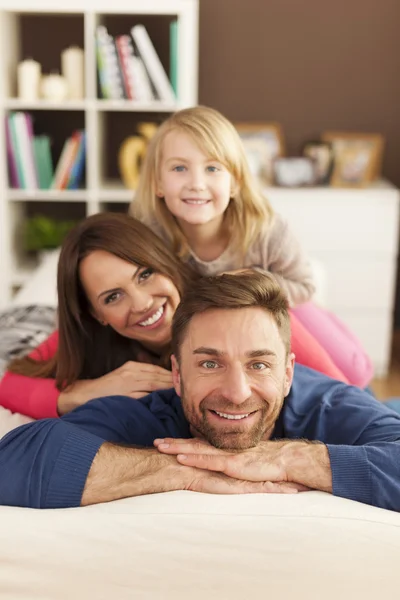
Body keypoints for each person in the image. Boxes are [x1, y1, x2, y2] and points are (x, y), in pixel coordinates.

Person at [0, 270, 399, 511]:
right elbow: (15, 459)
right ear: (176, 373)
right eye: (209, 363)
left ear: (288, 372)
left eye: (259, 364)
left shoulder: (327, 403)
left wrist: (286, 458)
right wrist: (184, 469)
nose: (237, 392)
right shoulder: (154, 413)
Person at [131, 105, 373, 387]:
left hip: (284, 305)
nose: (196, 183)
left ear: (235, 183)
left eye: (212, 168)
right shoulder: (150, 236)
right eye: (179, 168)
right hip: (223, 330)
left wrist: (250, 281)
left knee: (355, 373)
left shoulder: (266, 229)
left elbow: (304, 287)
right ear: (158, 183)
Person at [0, 212, 196, 419]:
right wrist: (91, 391)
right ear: (95, 313)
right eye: (113, 297)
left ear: (165, 262)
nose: (142, 304)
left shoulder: (218, 309)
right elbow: (9, 385)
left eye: (145, 275)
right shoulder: (88, 336)